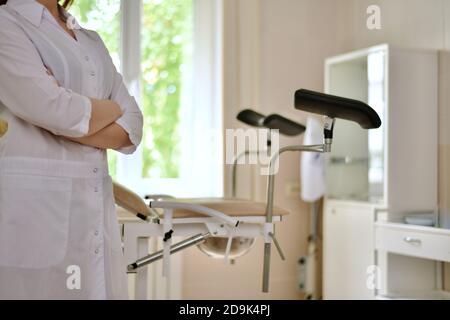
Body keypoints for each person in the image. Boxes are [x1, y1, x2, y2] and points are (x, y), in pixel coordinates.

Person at [0, 0, 143, 299]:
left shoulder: (91, 40)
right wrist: (112, 108)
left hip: (93, 211)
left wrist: (67, 115)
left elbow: (132, 127)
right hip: (33, 214)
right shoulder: (5, 24)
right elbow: (52, 108)